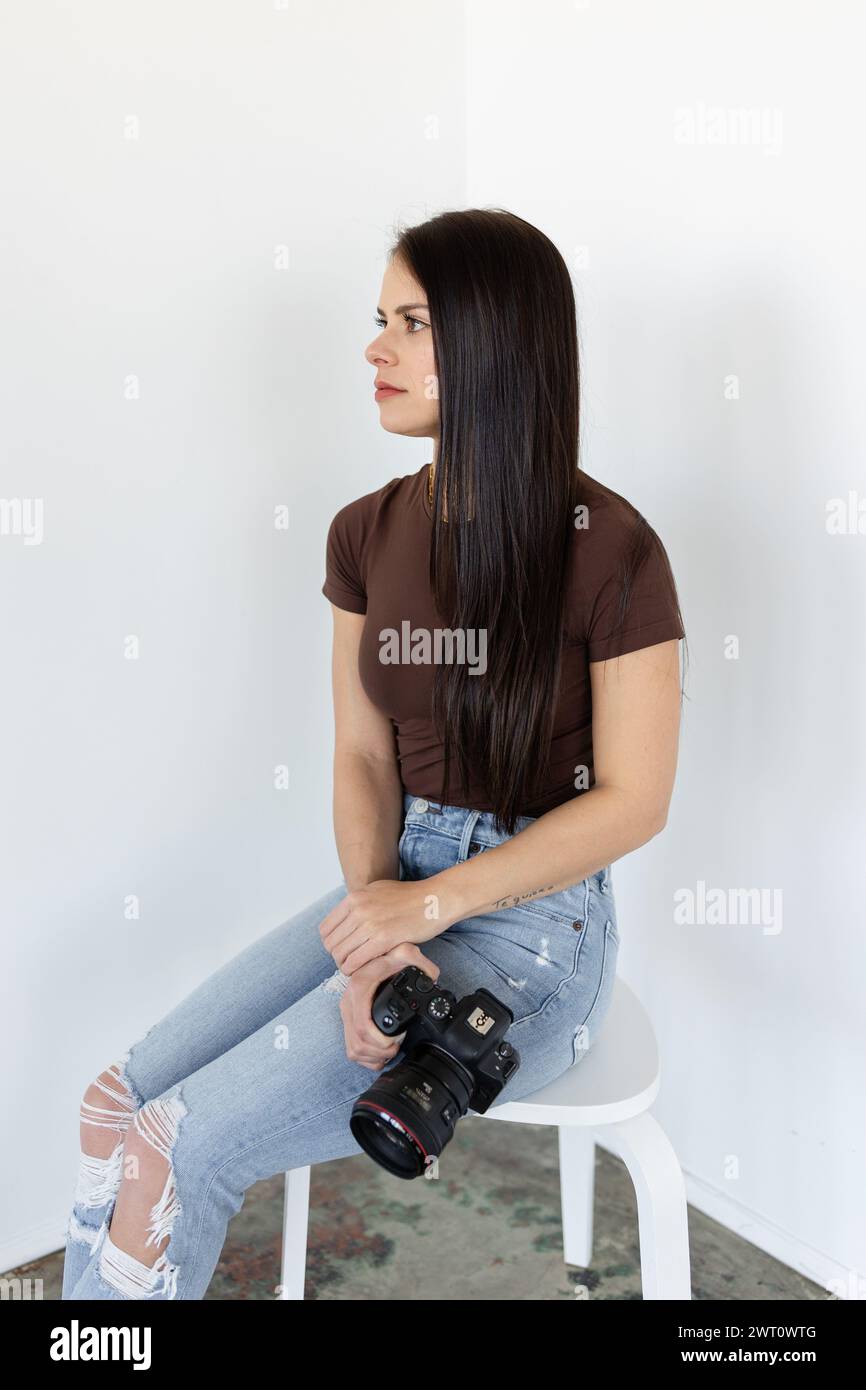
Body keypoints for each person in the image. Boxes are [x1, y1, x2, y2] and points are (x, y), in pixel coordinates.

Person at [61, 207, 686, 1301]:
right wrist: (373, 932)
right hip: (393, 880)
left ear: (494, 345)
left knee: (176, 1145)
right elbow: (360, 752)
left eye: (410, 324)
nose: (373, 349)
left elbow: (633, 802)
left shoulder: (612, 548)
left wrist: (426, 914)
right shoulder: (364, 531)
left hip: (537, 927)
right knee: (115, 1105)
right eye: (378, 319)